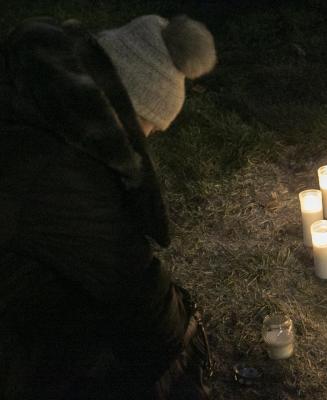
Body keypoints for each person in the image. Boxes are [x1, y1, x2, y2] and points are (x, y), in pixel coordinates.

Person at [0, 14, 216, 399]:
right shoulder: (59, 171)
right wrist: (186, 333)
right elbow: (130, 279)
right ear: (128, 109)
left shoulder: (37, 88)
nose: (147, 142)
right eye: (149, 129)